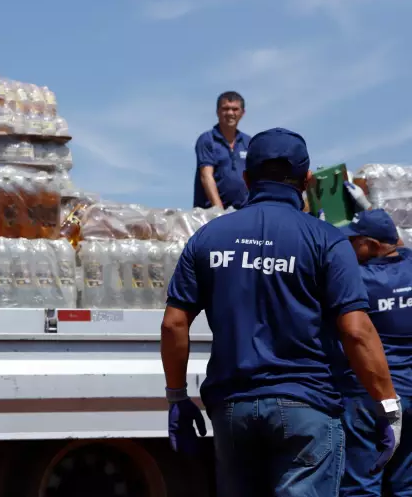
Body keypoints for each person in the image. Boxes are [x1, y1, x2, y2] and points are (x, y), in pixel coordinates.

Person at [160, 127, 401, 496]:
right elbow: (355, 330)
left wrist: (177, 396)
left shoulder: (208, 238)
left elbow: (174, 324)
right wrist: (387, 404)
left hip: (232, 410)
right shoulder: (326, 239)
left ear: (245, 177)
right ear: (306, 180)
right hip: (307, 407)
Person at [337, 209, 412, 496]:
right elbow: (401, 247)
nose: (350, 246)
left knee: (361, 484)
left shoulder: (360, 279)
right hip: (409, 392)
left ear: (373, 245)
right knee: (405, 484)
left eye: (355, 240)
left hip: (371, 395)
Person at [192, 91, 251, 210]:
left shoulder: (248, 142)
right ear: (217, 111)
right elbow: (206, 176)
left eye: (235, 109)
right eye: (225, 109)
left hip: (243, 212)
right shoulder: (207, 140)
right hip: (212, 213)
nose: (230, 113)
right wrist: (218, 210)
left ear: (242, 113)